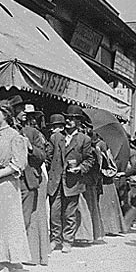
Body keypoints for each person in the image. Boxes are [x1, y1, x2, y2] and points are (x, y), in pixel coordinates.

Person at [0, 100, 30, 272]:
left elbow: (18, 163)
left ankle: (8, 260)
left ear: (6, 114)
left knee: (6, 221)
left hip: (6, 183)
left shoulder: (15, 136)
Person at [46, 104, 94, 253]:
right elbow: (48, 157)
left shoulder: (84, 139)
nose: (69, 121)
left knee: (69, 213)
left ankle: (67, 240)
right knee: (54, 212)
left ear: (79, 122)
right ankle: (55, 239)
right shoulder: (56, 137)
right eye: (67, 118)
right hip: (56, 181)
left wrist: (79, 168)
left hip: (72, 181)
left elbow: (89, 159)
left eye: (73, 119)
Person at [17, 104, 49, 265]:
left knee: (32, 215)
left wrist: (30, 148)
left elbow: (41, 155)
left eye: (30, 115)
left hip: (30, 177)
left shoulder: (34, 133)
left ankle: (32, 254)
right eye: (22, 111)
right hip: (14, 177)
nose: (27, 117)